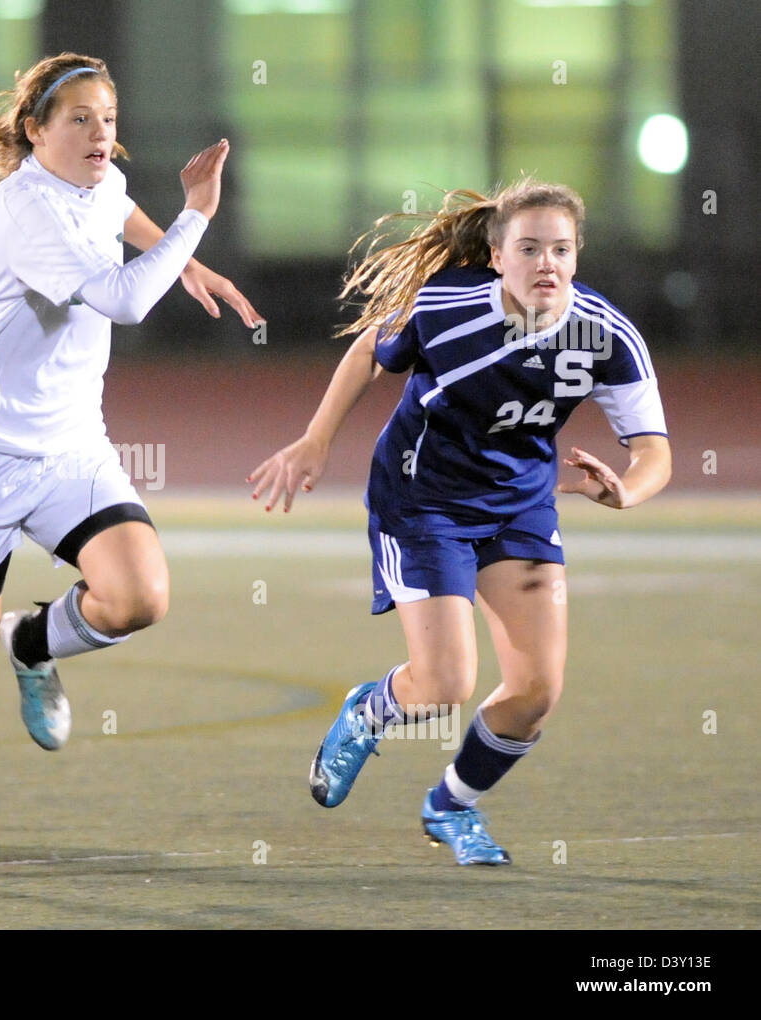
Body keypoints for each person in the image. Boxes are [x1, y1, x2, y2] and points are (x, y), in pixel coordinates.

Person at [0, 53, 263, 885]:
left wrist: (184, 256)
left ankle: (34, 638)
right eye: (81, 120)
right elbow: (125, 300)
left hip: (70, 449)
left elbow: (123, 212)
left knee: (139, 597)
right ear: (36, 132)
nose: (103, 134)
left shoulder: (93, 181)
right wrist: (196, 220)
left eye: (109, 117)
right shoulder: (23, 206)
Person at [249, 179, 671, 865]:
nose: (546, 264)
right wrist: (316, 440)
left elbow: (653, 451)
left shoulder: (607, 334)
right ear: (497, 257)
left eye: (560, 249)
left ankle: (451, 807)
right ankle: (370, 710)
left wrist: (629, 492)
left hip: (521, 504)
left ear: (577, 255)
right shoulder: (447, 304)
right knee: (445, 683)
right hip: (423, 500)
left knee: (536, 693)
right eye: (528, 248)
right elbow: (367, 351)